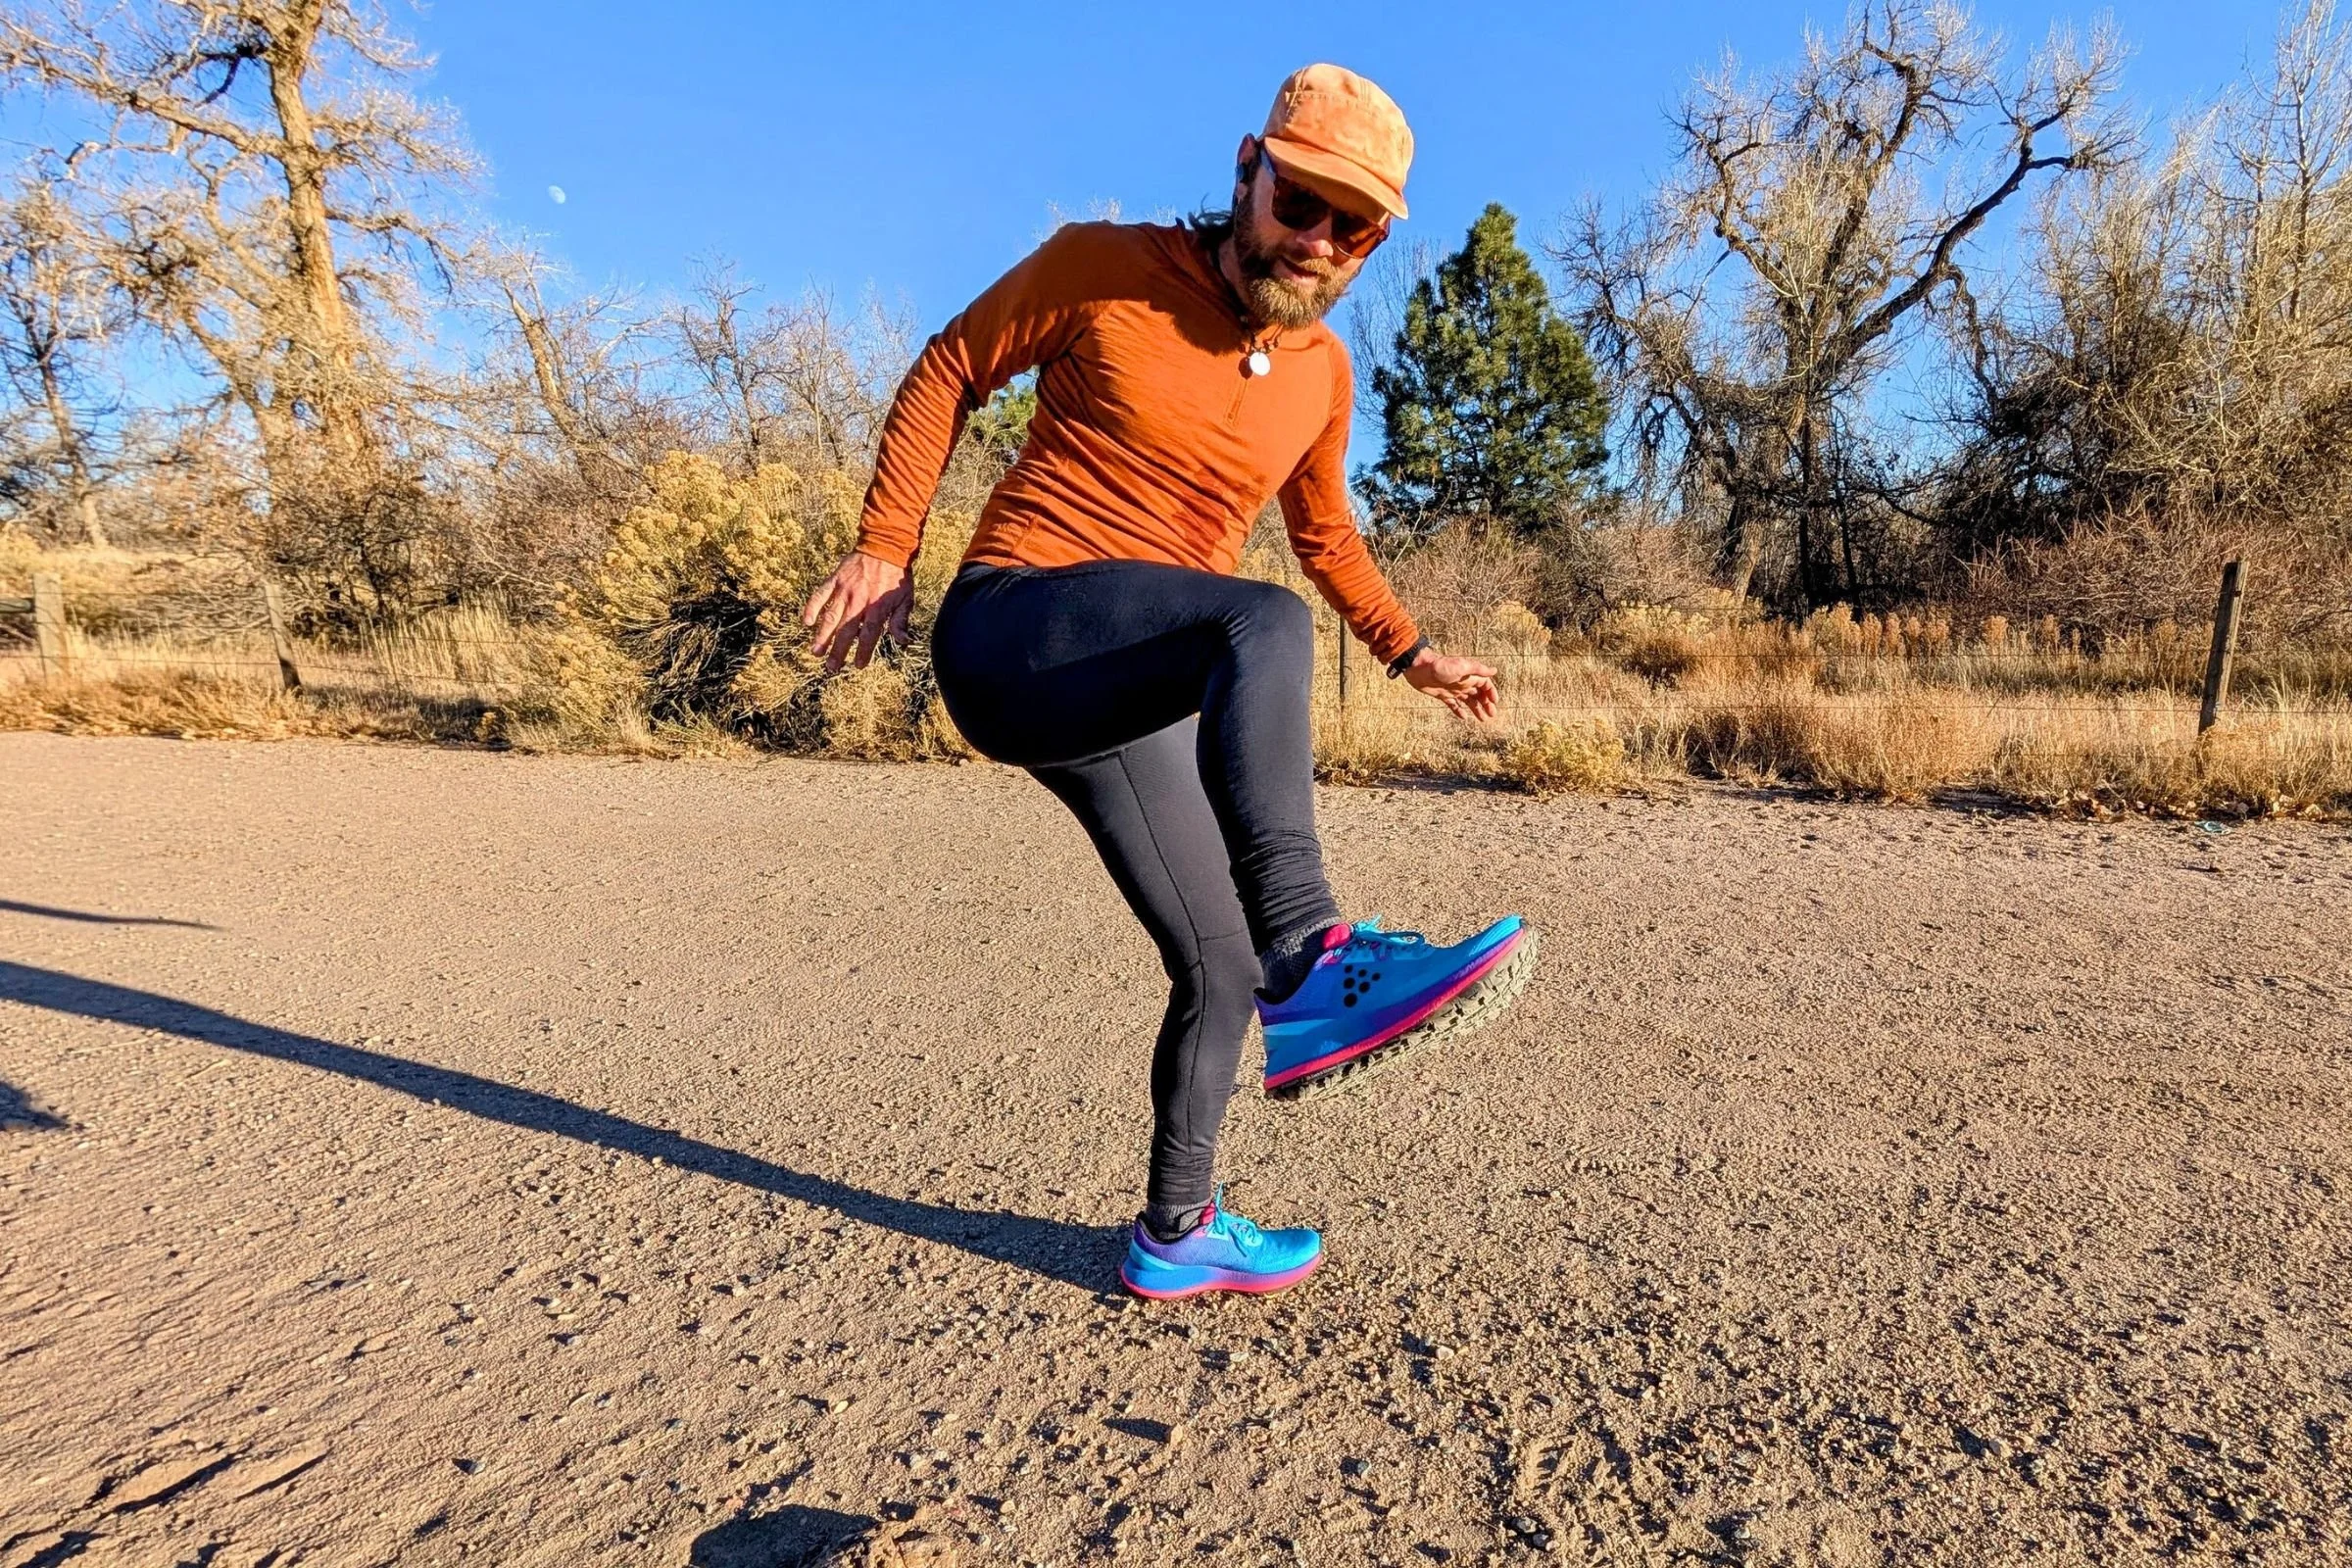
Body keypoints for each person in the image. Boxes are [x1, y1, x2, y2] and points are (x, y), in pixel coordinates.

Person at [802, 64, 1537, 1299]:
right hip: (1016, 627)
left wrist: (1415, 654)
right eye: (1299, 201)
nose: (1316, 241)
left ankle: (1176, 1228)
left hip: (1131, 677)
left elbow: (1328, 535)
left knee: (1217, 957)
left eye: (1350, 228)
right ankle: (1319, 955)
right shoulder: (1105, 264)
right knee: (1261, 627)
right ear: (1249, 166)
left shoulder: (1321, 375)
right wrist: (888, 543)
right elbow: (948, 366)